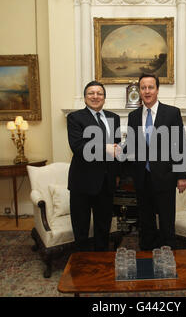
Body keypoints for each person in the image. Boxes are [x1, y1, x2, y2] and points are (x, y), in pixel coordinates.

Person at [126, 73, 186, 250]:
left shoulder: (171, 113)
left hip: (165, 176)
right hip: (142, 178)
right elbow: (131, 147)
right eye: (143, 88)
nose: (147, 91)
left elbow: (180, 145)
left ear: (157, 90)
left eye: (150, 87)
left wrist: (182, 176)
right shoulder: (133, 116)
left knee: (166, 220)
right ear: (139, 91)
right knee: (145, 221)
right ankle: (147, 252)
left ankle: (168, 254)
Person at [67, 81, 121, 251]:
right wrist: (106, 148)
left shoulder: (114, 118)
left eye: (99, 93)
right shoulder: (75, 118)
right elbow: (78, 147)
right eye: (91, 93)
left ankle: (101, 260)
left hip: (106, 183)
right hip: (82, 182)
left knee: (103, 227)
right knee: (81, 228)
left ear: (104, 98)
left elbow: (117, 148)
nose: (95, 96)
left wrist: (119, 172)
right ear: (85, 98)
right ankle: (82, 264)